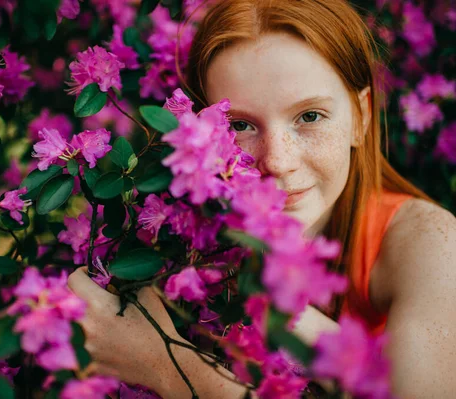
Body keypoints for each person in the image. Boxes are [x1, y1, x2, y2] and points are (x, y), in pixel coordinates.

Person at [67, 0, 456, 397]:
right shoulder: (182, 244)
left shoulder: (434, 243)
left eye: (310, 116)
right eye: (240, 125)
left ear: (362, 116)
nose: (278, 161)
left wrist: (164, 365)